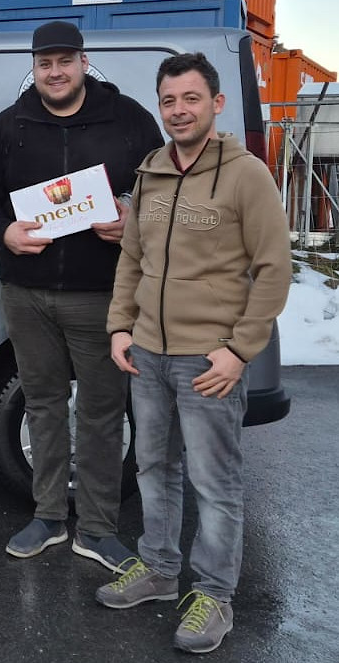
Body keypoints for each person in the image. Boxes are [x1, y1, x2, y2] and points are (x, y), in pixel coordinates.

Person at [94, 53, 291, 654]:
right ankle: (158, 569)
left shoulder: (245, 175)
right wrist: (120, 327)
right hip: (148, 354)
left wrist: (239, 351)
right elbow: (133, 257)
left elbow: (274, 268)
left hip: (209, 360)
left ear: (215, 104)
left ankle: (215, 596)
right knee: (153, 468)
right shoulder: (150, 173)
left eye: (191, 98)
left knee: (214, 481)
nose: (179, 111)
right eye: (169, 101)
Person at [0, 21, 163, 570]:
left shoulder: (128, 119)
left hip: (102, 295)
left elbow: (164, 189)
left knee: (102, 412)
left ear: (83, 62)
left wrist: (133, 217)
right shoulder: (10, 126)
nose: (55, 72)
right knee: (43, 406)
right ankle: (48, 516)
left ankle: (96, 529)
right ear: (34, 68)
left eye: (64, 61)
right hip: (26, 294)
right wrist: (4, 232)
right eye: (44, 63)